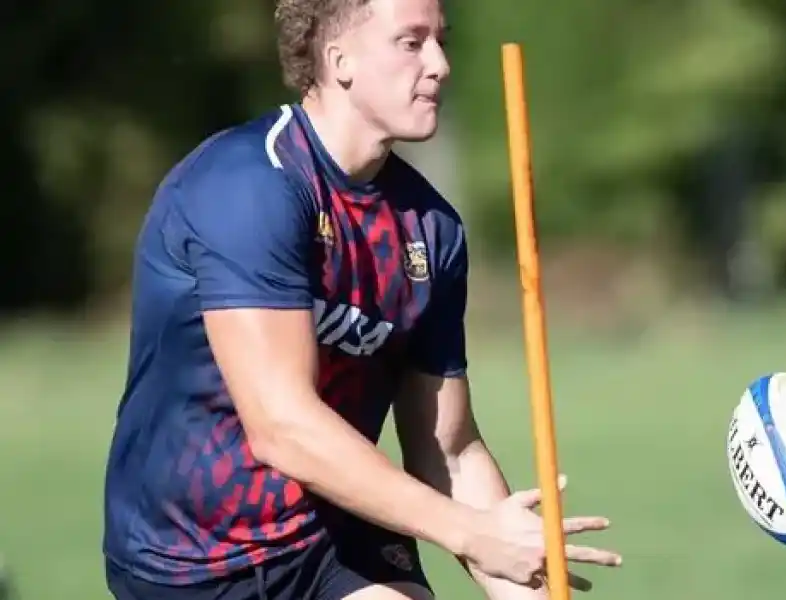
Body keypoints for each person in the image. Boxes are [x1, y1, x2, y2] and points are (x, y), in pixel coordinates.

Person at [101, 0, 622, 598]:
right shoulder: (250, 186)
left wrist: (521, 578)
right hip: (192, 558)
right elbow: (282, 425)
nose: (441, 65)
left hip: (332, 528)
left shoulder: (432, 229)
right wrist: (470, 534)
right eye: (412, 41)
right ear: (338, 58)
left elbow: (447, 449)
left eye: (441, 41)